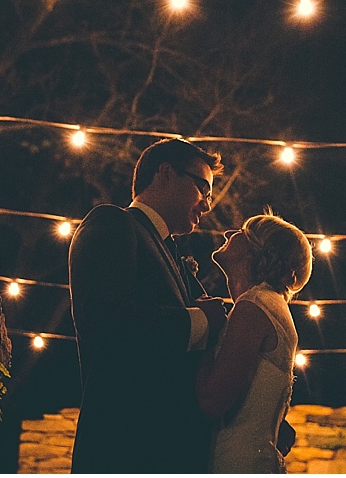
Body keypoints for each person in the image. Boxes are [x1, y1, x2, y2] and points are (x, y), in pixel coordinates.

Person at [68, 138, 228, 473]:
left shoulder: (174, 256)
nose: (207, 205)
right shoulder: (113, 223)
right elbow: (108, 322)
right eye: (203, 188)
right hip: (124, 447)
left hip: (169, 453)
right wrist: (200, 321)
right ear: (166, 173)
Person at [196, 212, 314, 473]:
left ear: (255, 250)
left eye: (240, 231)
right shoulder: (271, 304)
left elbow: (211, 401)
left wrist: (206, 330)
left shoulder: (254, 307)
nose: (228, 233)